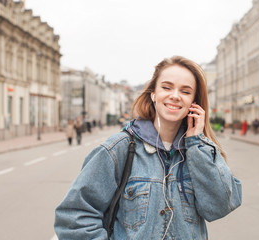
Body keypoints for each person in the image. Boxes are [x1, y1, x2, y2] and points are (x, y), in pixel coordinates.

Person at [54, 56, 242, 239]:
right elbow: (73, 217)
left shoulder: (198, 152)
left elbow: (220, 206)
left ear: (194, 102)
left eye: (185, 91)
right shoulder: (118, 150)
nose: (175, 96)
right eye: (166, 87)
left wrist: (197, 145)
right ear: (153, 94)